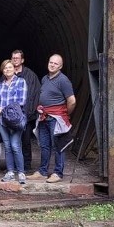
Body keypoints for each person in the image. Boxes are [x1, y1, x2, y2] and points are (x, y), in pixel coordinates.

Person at [30, 54, 76, 183]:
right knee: (44, 146)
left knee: (58, 146)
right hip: (44, 117)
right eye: (51, 62)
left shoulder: (63, 80)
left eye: (56, 63)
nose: (52, 65)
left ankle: (58, 173)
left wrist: (65, 114)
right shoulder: (45, 78)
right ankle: (43, 171)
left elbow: (71, 101)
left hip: (56, 118)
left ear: (60, 66)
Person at [0, 60, 28, 184]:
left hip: (15, 120)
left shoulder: (21, 82)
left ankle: (21, 173)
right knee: (7, 147)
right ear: (2, 71)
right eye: (5, 68)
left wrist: (6, 110)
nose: (7, 70)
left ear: (14, 69)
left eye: (9, 67)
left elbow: (21, 100)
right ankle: (10, 172)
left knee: (15, 145)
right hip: (2, 120)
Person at [11, 49, 41, 174]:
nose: (15, 60)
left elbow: (35, 93)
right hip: (11, 116)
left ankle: (27, 165)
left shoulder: (30, 75)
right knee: (12, 141)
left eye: (17, 58)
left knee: (26, 140)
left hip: (26, 114)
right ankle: (13, 164)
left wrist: (29, 113)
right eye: (13, 58)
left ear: (22, 60)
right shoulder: (8, 73)